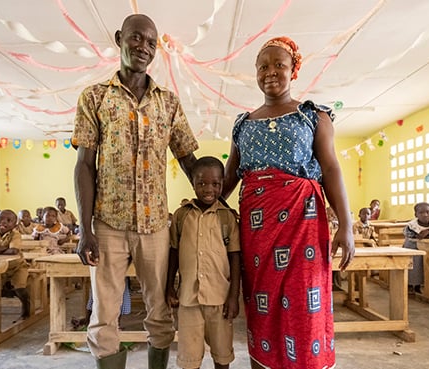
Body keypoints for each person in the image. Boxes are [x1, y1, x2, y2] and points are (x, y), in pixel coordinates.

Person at [72, 13, 199, 369]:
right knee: (104, 314)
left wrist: (216, 199)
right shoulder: (95, 98)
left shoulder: (168, 103)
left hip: (155, 226)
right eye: (136, 38)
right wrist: (85, 230)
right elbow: (84, 164)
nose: (143, 47)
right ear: (119, 38)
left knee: (159, 310)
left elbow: (189, 159)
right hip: (108, 225)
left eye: (150, 42)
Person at [221, 36, 354, 369]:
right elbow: (228, 177)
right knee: (262, 307)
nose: (270, 72)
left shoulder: (313, 116)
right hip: (257, 229)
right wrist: (200, 203)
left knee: (303, 302)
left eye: (279, 64)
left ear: (294, 70)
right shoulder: (242, 124)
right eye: (263, 66)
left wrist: (346, 224)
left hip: (304, 224)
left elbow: (331, 168)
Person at [166, 156, 240, 369]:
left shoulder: (227, 218)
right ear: (193, 184)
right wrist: (170, 286)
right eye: (202, 183)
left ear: (222, 184)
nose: (209, 189)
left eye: (215, 184)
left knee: (222, 355)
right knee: (190, 359)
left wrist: (233, 297)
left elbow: (235, 258)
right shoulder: (181, 216)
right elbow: (174, 253)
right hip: (189, 300)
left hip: (220, 300)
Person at [0, 210, 30, 321]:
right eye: (1, 219)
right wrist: (5, 248)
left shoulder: (15, 234)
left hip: (17, 267)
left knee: (20, 288)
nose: (4, 222)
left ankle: (26, 307)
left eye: (9, 221)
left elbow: (13, 251)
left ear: (15, 225)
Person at [402, 202, 429, 294]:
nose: (425, 215)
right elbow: (417, 236)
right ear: (416, 214)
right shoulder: (411, 225)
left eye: (428, 212)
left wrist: (427, 233)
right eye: (421, 213)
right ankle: (413, 284)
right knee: (416, 259)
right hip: (412, 246)